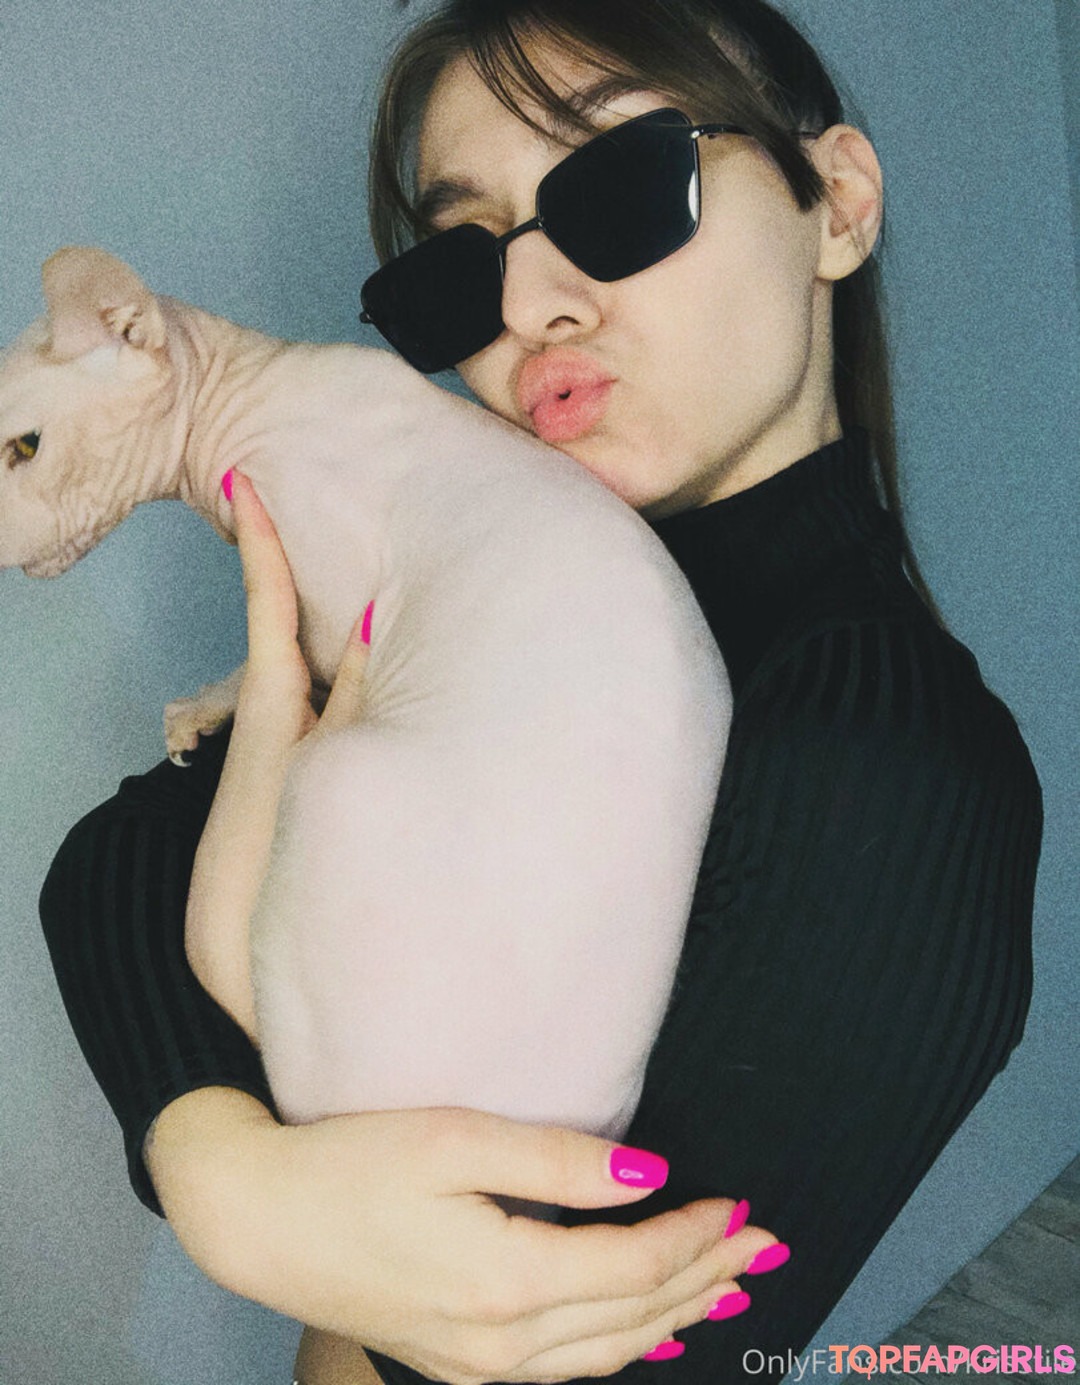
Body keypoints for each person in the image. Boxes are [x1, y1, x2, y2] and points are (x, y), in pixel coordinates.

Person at [38, 1, 1042, 1382]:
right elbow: (117, 858)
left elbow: (585, 1346)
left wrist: (287, 1201)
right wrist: (223, 1173)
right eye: (459, 267)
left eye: (620, 187)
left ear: (839, 204)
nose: (525, 309)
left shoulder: (886, 762)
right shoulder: (505, 604)